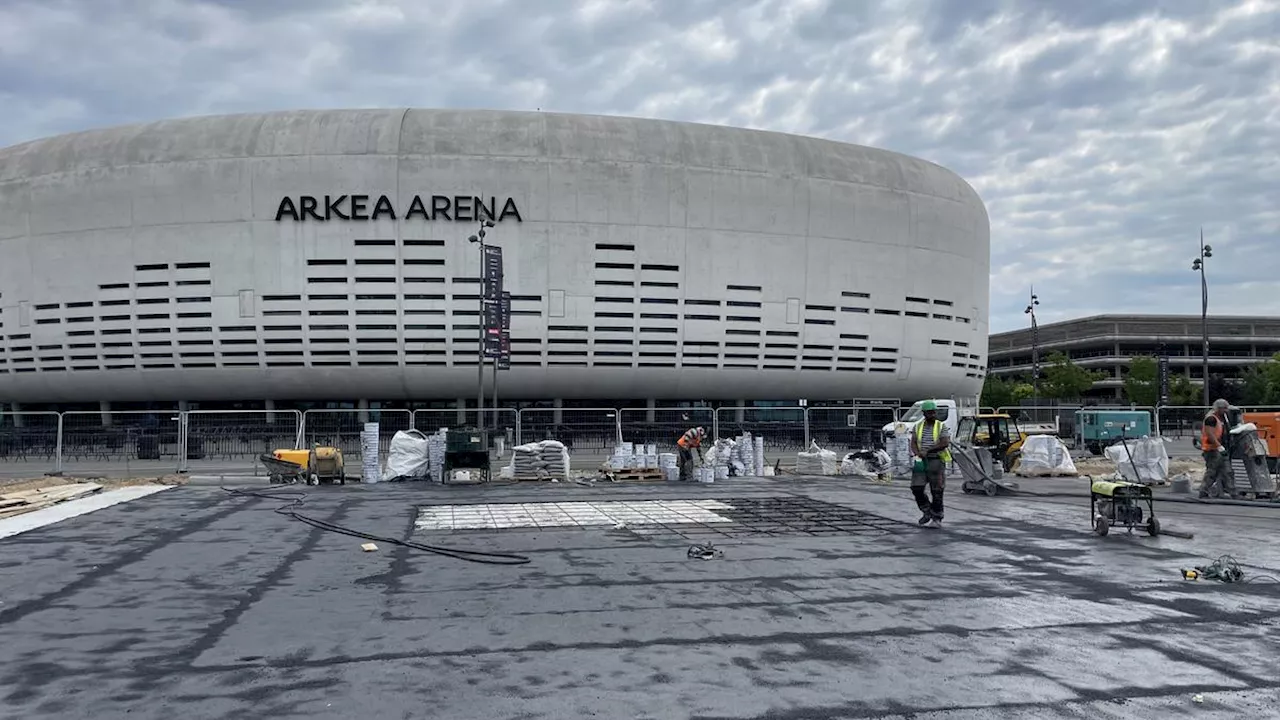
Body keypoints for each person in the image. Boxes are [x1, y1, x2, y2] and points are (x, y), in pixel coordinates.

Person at [910, 400, 951, 528]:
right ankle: (927, 510)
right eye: (929, 412)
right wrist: (918, 453)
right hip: (922, 460)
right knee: (916, 487)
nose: (932, 414)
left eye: (934, 412)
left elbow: (944, 443)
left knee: (937, 490)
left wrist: (927, 450)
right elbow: (913, 442)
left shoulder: (941, 426)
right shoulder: (918, 427)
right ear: (924, 413)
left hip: (936, 460)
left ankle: (937, 517)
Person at [1199, 398, 1237, 499]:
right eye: (1224, 408)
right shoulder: (1211, 419)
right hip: (1212, 449)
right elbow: (1210, 434)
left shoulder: (1221, 418)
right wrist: (1218, 446)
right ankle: (1203, 491)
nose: (1226, 411)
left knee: (1227, 471)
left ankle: (1233, 493)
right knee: (1212, 472)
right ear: (1218, 408)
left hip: (1219, 449)